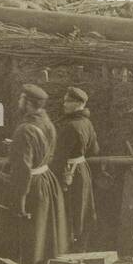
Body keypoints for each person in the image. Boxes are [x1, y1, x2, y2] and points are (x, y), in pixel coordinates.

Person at [2, 84, 67, 264]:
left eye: (21, 99)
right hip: (47, 181)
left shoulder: (24, 130)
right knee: (45, 235)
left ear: (29, 104)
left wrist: (19, 201)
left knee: (29, 236)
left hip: (31, 187)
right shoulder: (47, 123)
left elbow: (23, 169)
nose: (19, 102)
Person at [53, 86, 100, 251]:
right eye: (65, 100)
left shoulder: (70, 127)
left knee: (69, 210)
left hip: (68, 173)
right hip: (83, 170)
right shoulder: (87, 123)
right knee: (83, 210)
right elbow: (94, 150)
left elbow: (58, 157)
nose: (64, 104)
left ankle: (69, 250)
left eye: (68, 101)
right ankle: (82, 247)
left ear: (79, 103)